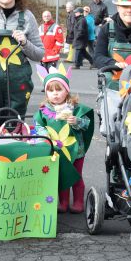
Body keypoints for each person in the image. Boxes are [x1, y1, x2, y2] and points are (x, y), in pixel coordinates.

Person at [32, 64, 94, 214]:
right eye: (50, 90)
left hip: (76, 149)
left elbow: (87, 124)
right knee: (61, 175)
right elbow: (39, 125)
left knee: (76, 176)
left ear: (67, 90)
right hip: (56, 150)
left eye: (59, 90)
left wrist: (77, 121)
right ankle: (63, 202)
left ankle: (78, 201)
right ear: (46, 93)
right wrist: (44, 137)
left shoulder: (75, 108)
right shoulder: (44, 111)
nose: (55, 94)